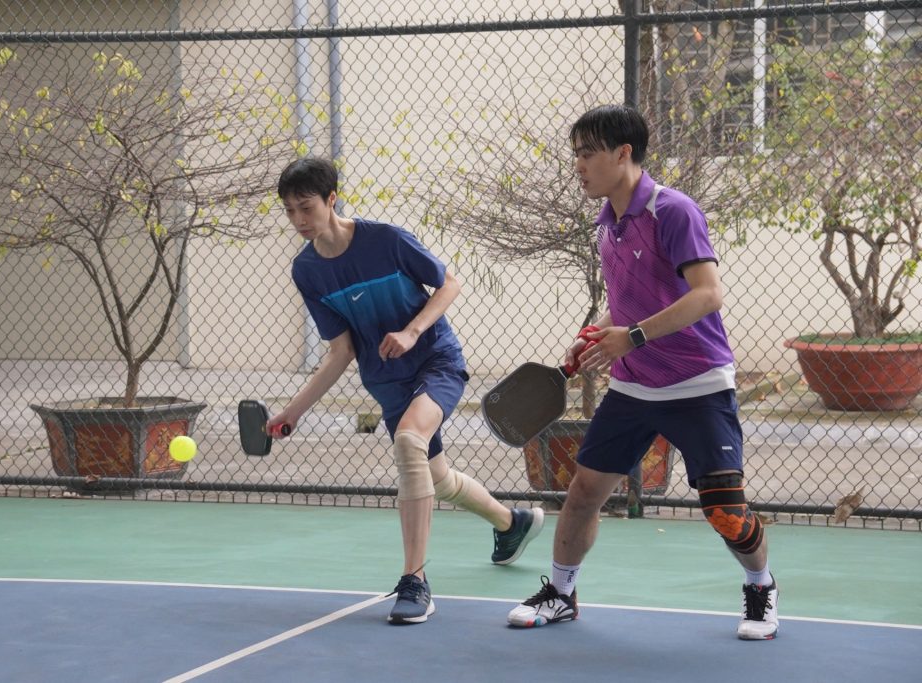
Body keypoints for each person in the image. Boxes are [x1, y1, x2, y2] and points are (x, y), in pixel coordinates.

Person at [506, 105, 778, 640]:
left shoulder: (673, 211)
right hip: (633, 388)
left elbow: (707, 294)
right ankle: (561, 594)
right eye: (576, 154)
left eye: (588, 154)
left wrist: (630, 337)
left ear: (623, 153)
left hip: (697, 383)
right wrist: (597, 336)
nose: (579, 165)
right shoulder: (607, 224)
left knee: (725, 511)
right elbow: (630, 302)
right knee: (584, 492)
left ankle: (761, 586)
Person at [267, 157, 544, 625]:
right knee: (437, 479)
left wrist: (413, 331)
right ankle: (511, 523)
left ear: (331, 199)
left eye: (306, 207)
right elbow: (340, 351)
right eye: (290, 210)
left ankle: (414, 581)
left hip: (435, 361)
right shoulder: (308, 271)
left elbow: (449, 283)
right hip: (387, 381)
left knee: (409, 440)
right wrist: (292, 411)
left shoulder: (386, 240)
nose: (298, 219)